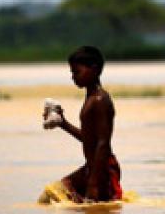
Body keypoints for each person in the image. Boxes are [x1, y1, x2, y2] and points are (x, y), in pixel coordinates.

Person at [48, 46, 123, 203]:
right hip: (93, 167)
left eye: (77, 72)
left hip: (102, 169)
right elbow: (90, 139)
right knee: (56, 195)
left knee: (58, 197)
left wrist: (94, 183)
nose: (73, 77)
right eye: (72, 73)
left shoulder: (99, 100)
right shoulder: (91, 97)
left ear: (94, 69)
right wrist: (63, 123)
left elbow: (103, 143)